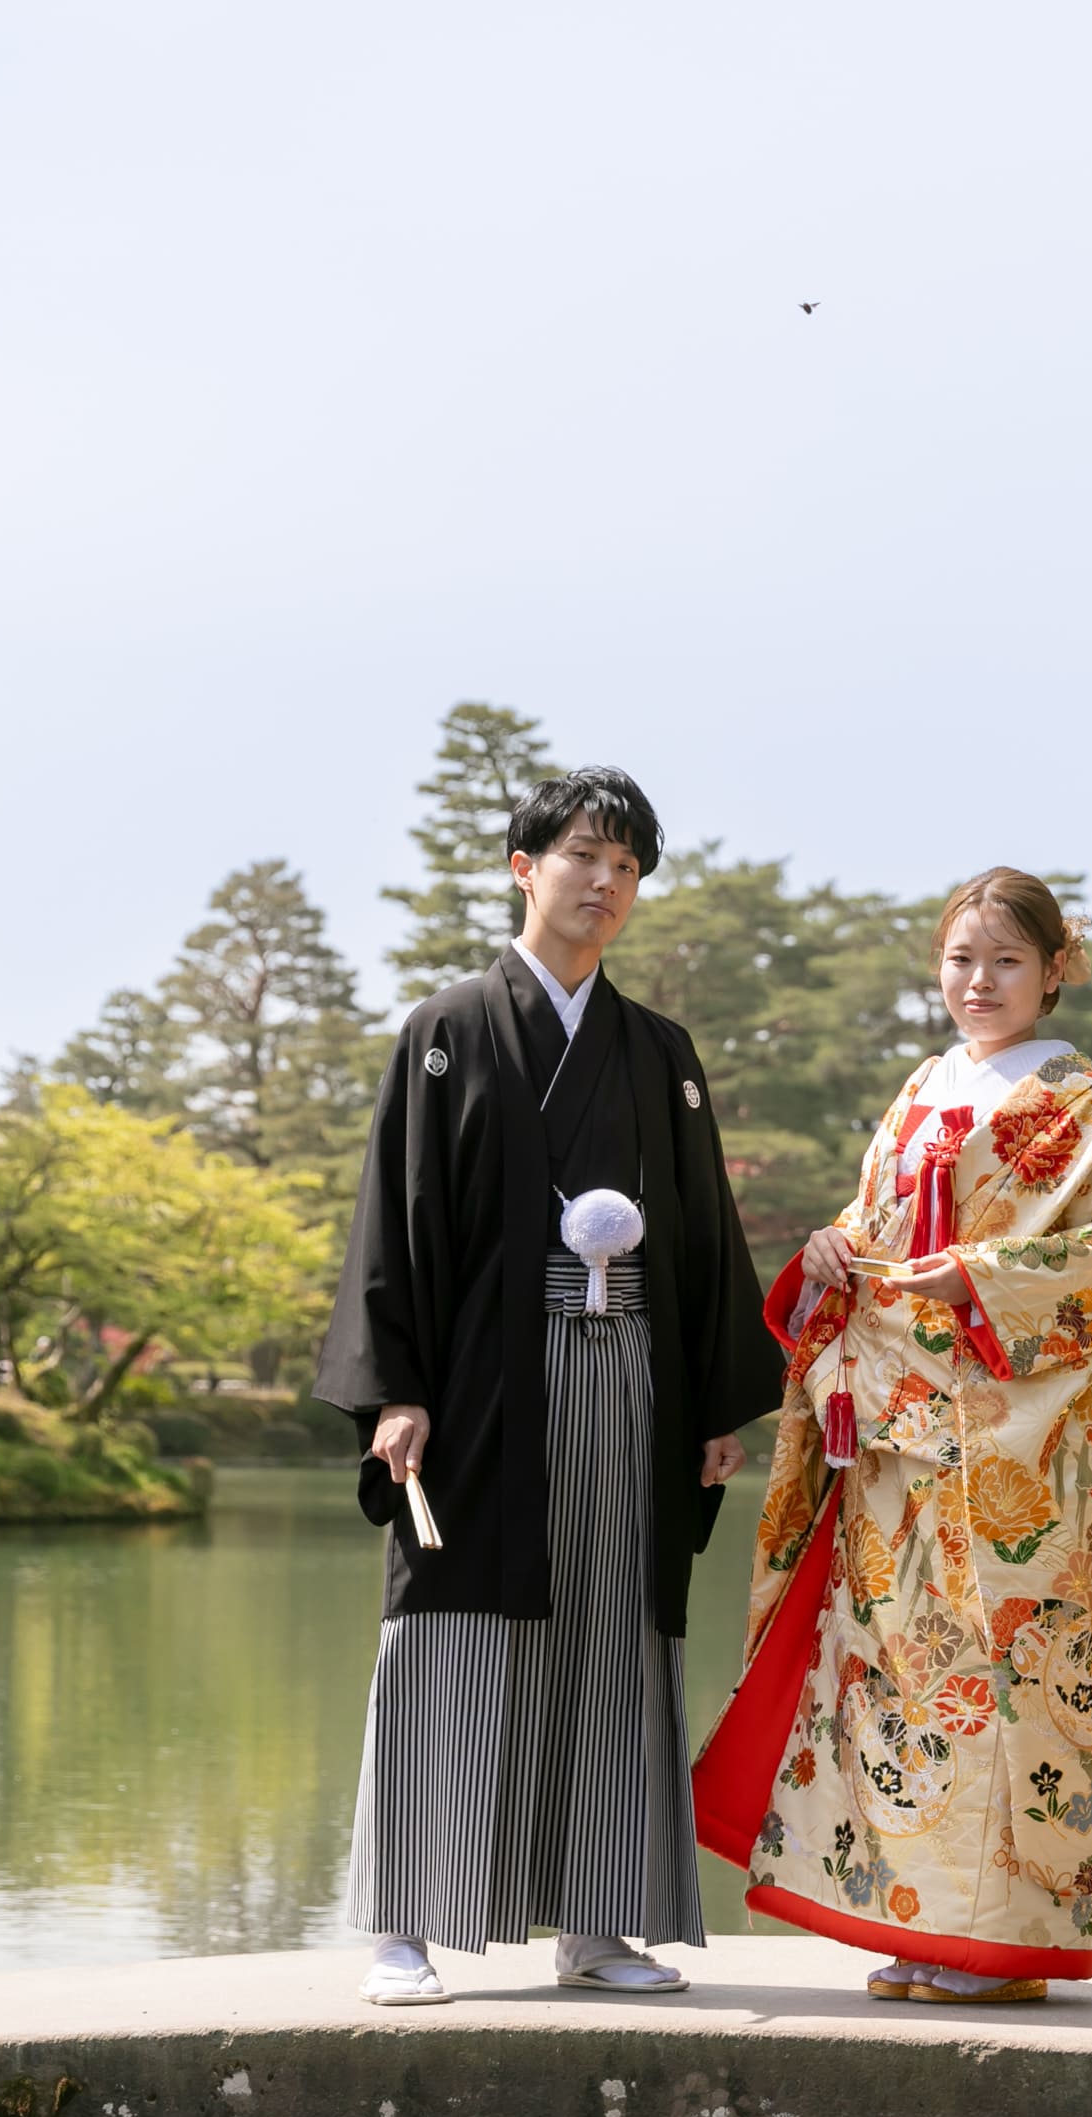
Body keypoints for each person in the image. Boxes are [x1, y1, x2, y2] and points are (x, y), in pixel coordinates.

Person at [692, 868, 1092, 2002]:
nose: (979, 983)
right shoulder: (924, 1087)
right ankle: (923, 1927)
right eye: (960, 961)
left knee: (1001, 1673)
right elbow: (878, 1223)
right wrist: (835, 1247)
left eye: (1007, 962)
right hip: (898, 1435)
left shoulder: (1082, 1101)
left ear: (1054, 970)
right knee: (904, 1680)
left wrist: (977, 1278)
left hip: (1018, 1444)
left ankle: (1008, 1942)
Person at [317, 767, 780, 2007]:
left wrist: (710, 1405)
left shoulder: (657, 1052)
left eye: (627, 869)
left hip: (626, 1382)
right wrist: (395, 1390)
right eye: (584, 858)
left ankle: (600, 1922)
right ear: (525, 868)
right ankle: (410, 1924)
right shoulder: (449, 1030)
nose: (606, 885)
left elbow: (695, 1237)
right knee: (452, 1634)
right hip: (480, 1386)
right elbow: (396, 1221)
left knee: (614, 1643)